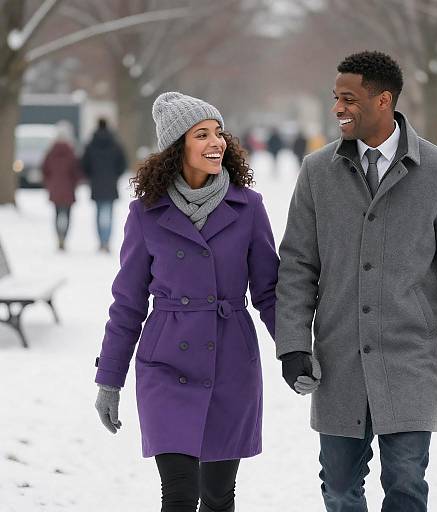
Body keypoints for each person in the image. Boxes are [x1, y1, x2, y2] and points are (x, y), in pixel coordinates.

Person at [275, 51, 437, 512]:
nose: (337, 109)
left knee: (407, 487)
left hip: (409, 360)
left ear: (383, 100)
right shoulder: (316, 172)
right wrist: (293, 345)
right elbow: (295, 266)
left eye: (348, 99)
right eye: (335, 99)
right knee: (339, 489)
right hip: (337, 361)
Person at [94, 92, 278, 512]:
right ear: (179, 147)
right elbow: (127, 302)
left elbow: (269, 291)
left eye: (219, 133)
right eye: (202, 134)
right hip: (166, 363)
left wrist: (294, 351)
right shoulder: (146, 213)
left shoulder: (248, 207)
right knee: (178, 494)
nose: (217, 142)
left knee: (217, 496)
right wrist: (109, 378)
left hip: (230, 360)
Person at [82, 118, 127, 252]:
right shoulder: (115, 144)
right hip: (111, 183)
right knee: (109, 213)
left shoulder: (90, 144)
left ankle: (101, 241)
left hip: (96, 183)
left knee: (98, 213)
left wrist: (91, 176)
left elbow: (84, 164)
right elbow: (123, 164)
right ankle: (107, 241)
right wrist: (115, 175)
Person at [42, 120, 82, 251]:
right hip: (68, 189)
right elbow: (76, 171)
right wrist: (75, 183)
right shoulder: (71, 153)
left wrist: (49, 182)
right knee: (68, 214)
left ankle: (59, 237)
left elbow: (44, 169)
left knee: (57, 214)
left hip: (55, 189)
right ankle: (64, 237)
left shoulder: (50, 152)